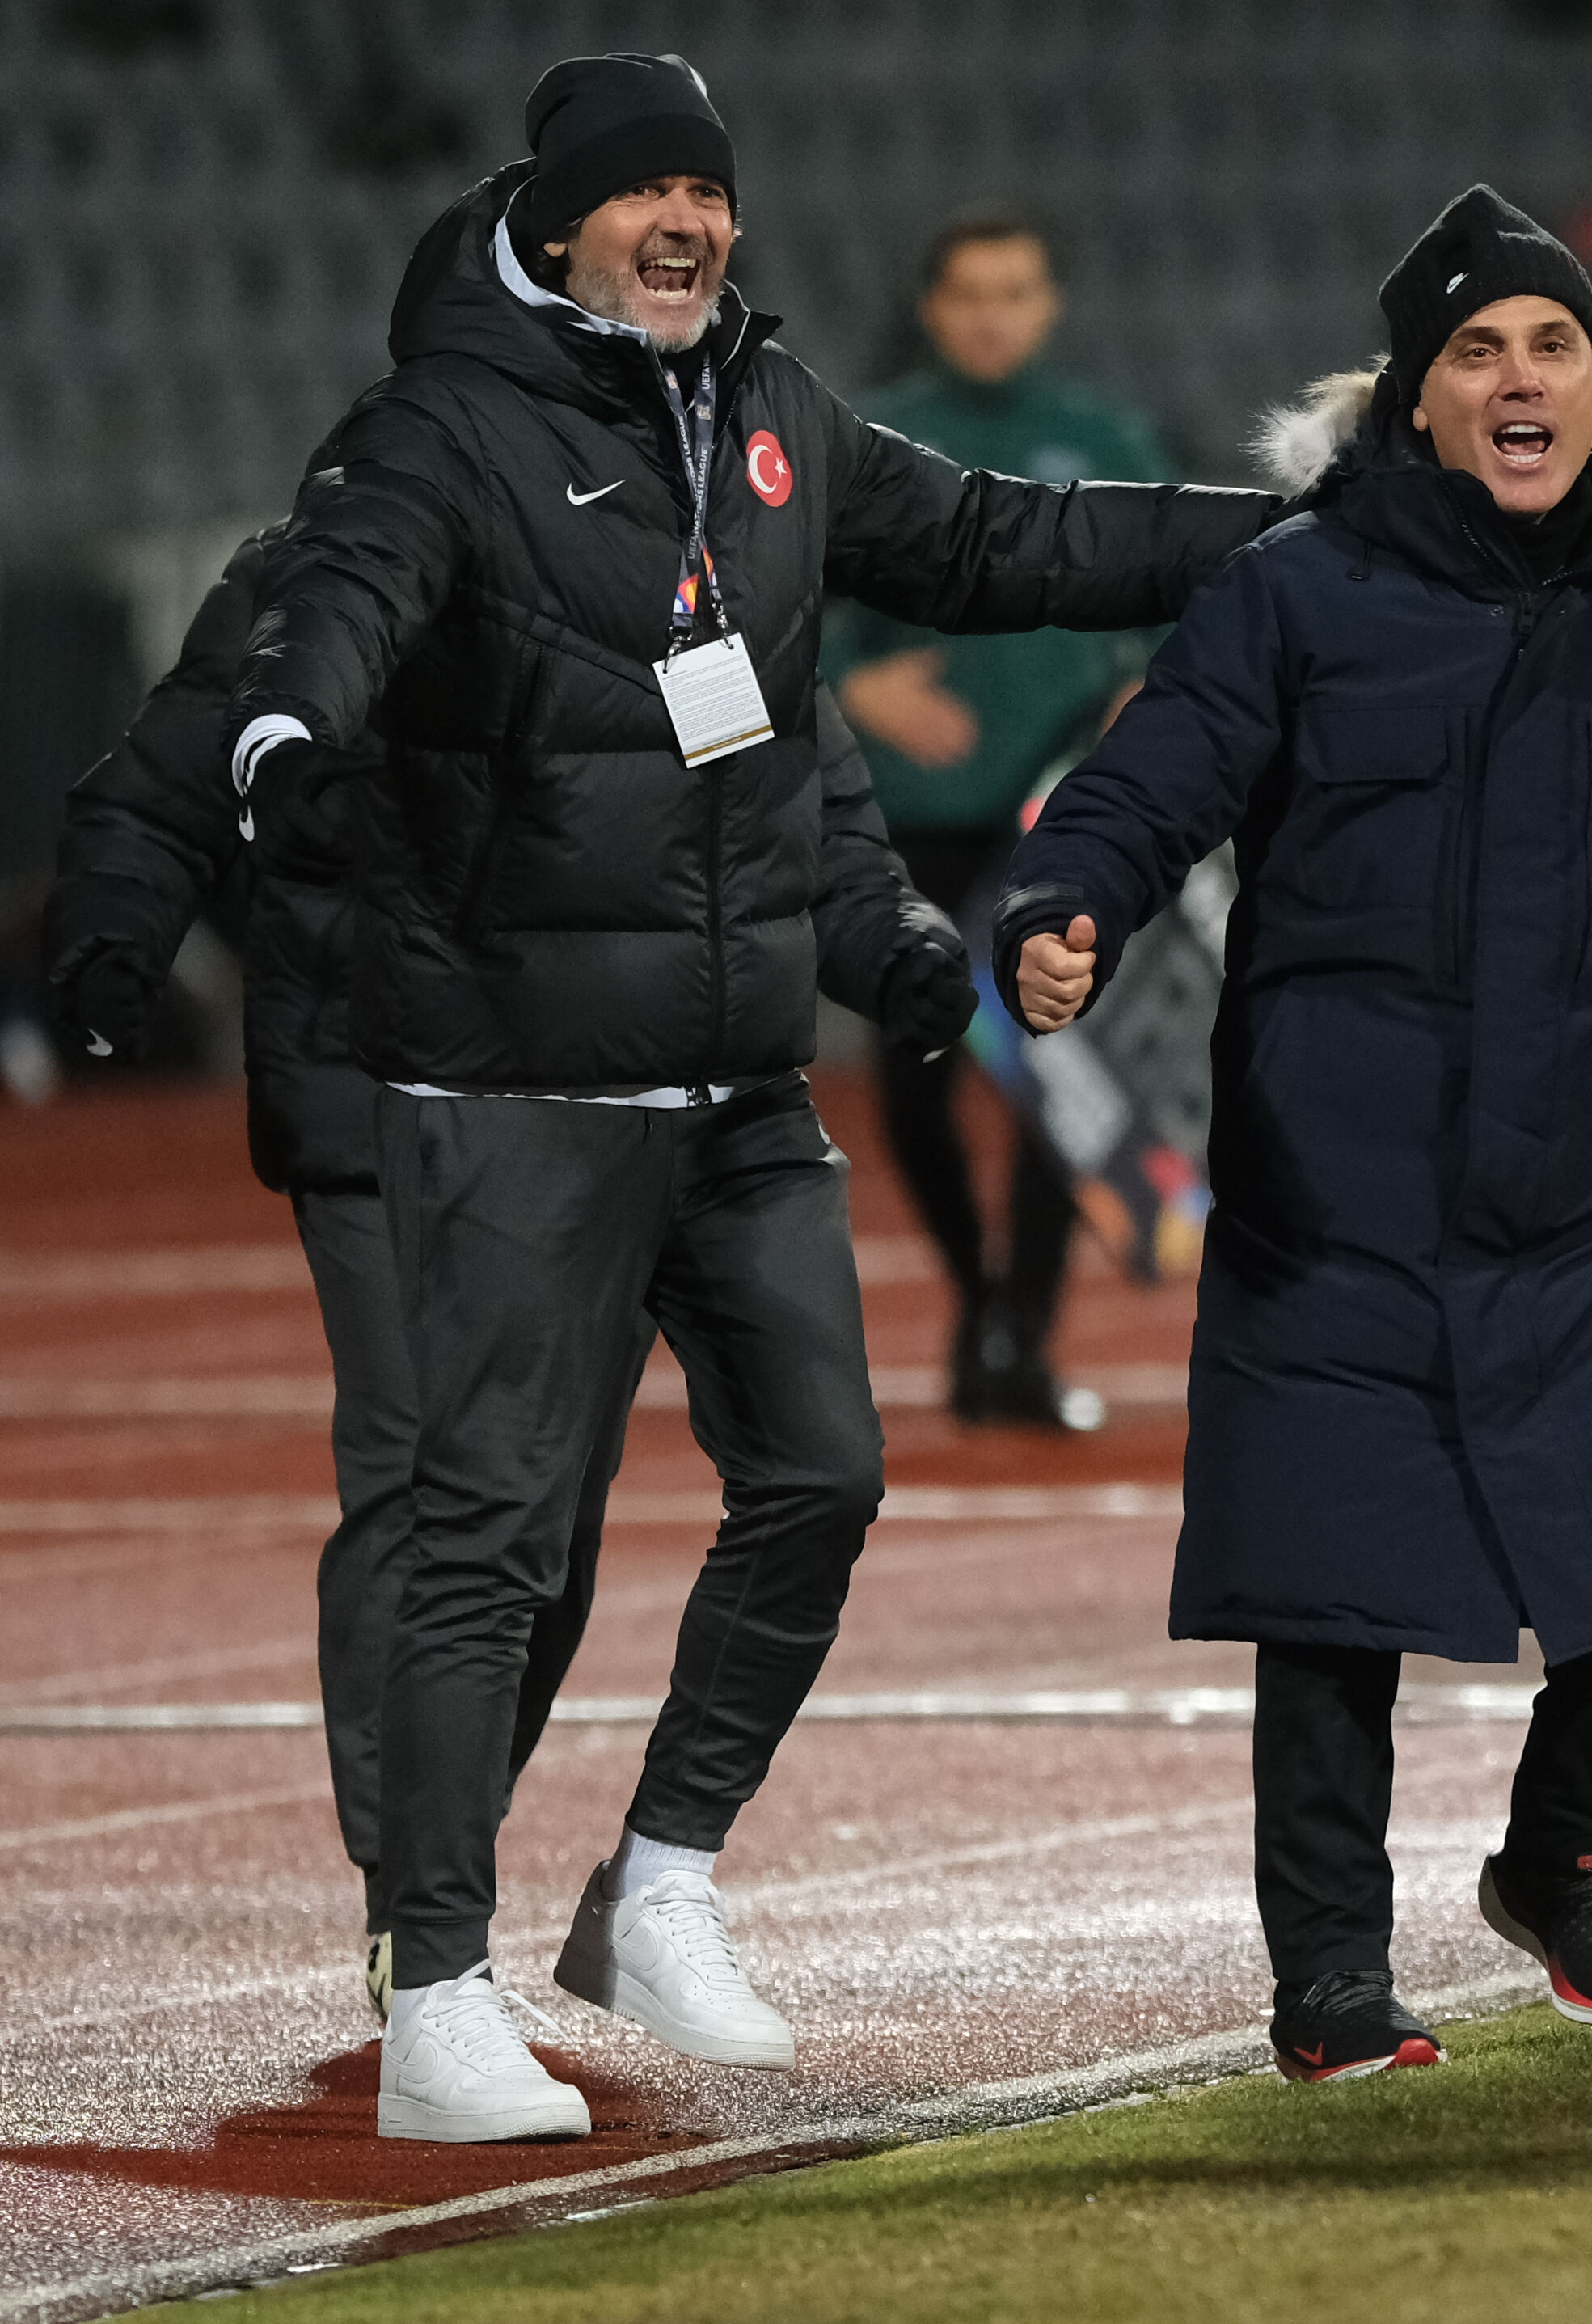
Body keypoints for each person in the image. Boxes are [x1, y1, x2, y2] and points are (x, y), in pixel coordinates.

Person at [224, 53, 1275, 2142]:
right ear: (557, 224)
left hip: (729, 1079)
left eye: (710, 189)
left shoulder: (779, 424)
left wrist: (1329, 524)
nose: (689, 221)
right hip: (517, 1082)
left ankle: (661, 1881)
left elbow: (1012, 544)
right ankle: (434, 1982)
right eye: (645, 195)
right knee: (490, 1541)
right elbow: (334, 606)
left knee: (823, 1469)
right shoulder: (455, 430)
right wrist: (282, 740)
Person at [997, 187, 1592, 2085]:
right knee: (1326, 1590)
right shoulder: (1293, 587)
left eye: (1550, 348)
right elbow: (1152, 778)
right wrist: (1066, 905)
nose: (1517, 378)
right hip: (1334, 1180)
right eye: (1475, 352)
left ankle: (1565, 1850)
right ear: (1414, 405)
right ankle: (1331, 1975)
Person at [46, 525, 966, 2018]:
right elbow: (164, 781)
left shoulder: (691, 574)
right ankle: (417, 1922)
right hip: (379, 1104)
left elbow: (798, 800)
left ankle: (464, 1882)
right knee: (434, 1492)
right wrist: (114, 929)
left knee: (548, 1529)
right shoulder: (319, 579)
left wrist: (891, 941)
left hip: (604, 1096)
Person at [827, 205, 1182, 1425]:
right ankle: (975, 1293)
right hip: (907, 815)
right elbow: (789, 592)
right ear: (932, 308)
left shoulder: (1106, 438)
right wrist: (849, 679)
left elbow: (1185, 598)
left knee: (1056, 1074)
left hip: (1057, 818)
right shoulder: (874, 442)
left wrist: (1154, 685)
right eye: (968, 293)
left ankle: (1017, 1336)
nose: (991, 315)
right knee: (915, 1080)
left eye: (1014, 292)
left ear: (1049, 306)